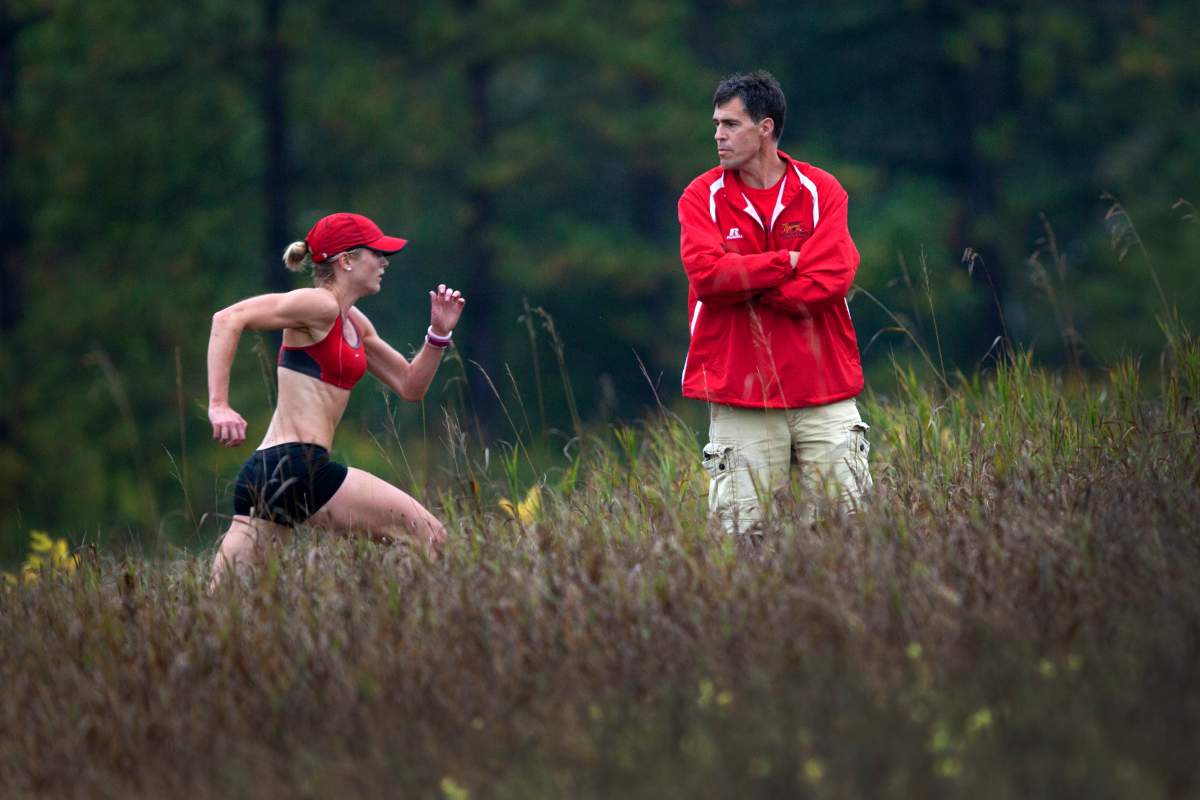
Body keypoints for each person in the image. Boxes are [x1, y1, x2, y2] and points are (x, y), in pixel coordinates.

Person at [206, 211, 465, 588]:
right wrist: (219, 405)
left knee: (227, 610)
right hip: (299, 466)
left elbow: (410, 386)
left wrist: (438, 335)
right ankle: (417, 633)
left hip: (265, 473)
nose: (384, 262)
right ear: (345, 261)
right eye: (375, 253)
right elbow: (228, 318)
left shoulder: (355, 323)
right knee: (432, 538)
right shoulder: (320, 305)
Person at [677, 70, 872, 535]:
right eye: (716, 124)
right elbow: (707, 277)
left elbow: (832, 280)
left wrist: (746, 281)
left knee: (850, 535)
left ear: (765, 128)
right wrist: (787, 260)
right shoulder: (700, 196)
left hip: (824, 392)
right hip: (740, 394)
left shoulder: (823, 192)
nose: (718, 136)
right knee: (743, 541)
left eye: (730, 124)